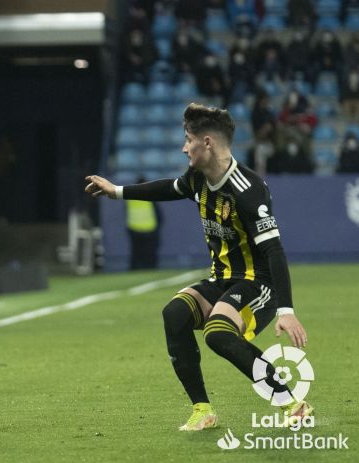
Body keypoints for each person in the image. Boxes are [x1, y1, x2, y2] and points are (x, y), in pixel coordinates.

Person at [85, 103, 311, 431]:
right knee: (174, 314)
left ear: (207, 142)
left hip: (257, 284)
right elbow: (169, 188)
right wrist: (117, 192)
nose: (183, 147)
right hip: (222, 279)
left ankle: (293, 403)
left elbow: (274, 250)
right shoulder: (197, 178)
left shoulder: (249, 191)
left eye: (188, 139)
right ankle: (202, 409)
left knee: (218, 334)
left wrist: (286, 310)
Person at [125, 177, 162, 270]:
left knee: (136, 254)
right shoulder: (150, 196)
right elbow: (158, 213)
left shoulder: (130, 198)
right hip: (149, 229)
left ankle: (134, 271)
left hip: (134, 229)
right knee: (149, 255)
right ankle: (150, 270)